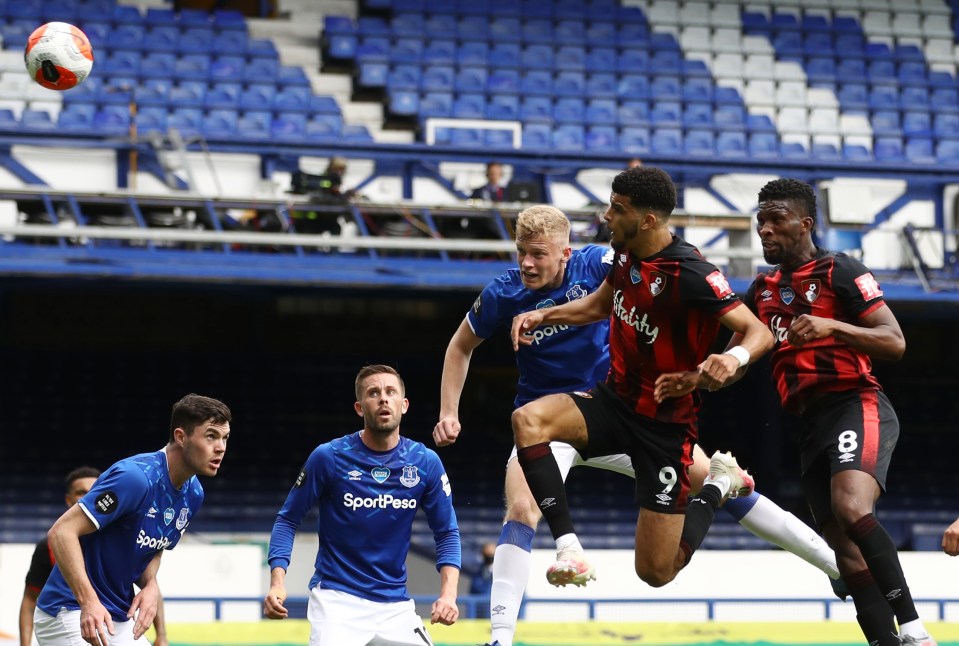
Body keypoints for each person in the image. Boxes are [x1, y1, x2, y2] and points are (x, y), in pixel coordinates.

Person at [435, 202, 837, 646]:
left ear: (566, 252)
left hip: (618, 411)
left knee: (724, 482)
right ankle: (500, 639)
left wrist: (692, 264)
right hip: (551, 420)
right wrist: (449, 412)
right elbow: (459, 346)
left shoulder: (596, 263)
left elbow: (654, 255)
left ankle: (834, 565)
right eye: (521, 253)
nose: (527, 263)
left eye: (538, 254)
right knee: (521, 508)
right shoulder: (501, 294)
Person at [659, 178, 936, 646]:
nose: (765, 230)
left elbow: (895, 342)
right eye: (760, 221)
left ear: (805, 223)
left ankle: (914, 630)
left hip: (855, 403)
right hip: (809, 426)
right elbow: (737, 360)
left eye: (776, 220)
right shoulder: (762, 289)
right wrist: (695, 377)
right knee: (845, 555)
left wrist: (833, 325)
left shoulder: (841, 271)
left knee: (851, 507)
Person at [264, 364, 460, 646]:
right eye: (373, 393)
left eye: (391, 392)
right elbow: (287, 519)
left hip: (395, 605)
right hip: (336, 600)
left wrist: (448, 594)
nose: (383, 398)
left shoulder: (425, 462)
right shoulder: (328, 457)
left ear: (404, 405)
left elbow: (447, 532)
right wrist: (277, 583)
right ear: (359, 408)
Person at [33, 395, 231, 646]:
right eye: (211, 436)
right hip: (69, 609)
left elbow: (154, 547)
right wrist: (89, 602)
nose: (221, 447)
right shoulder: (135, 477)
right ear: (181, 437)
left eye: (225, 438)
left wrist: (150, 586)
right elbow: (62, 532)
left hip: (117, 615)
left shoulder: (194, 494)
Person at [467, 542, 496, 619]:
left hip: (497, 616)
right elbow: (472, 593)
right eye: (487, 554)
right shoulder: (478, 572)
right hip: (480, 617)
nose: (489, 556)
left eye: (491, 554)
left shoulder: (503, 573)